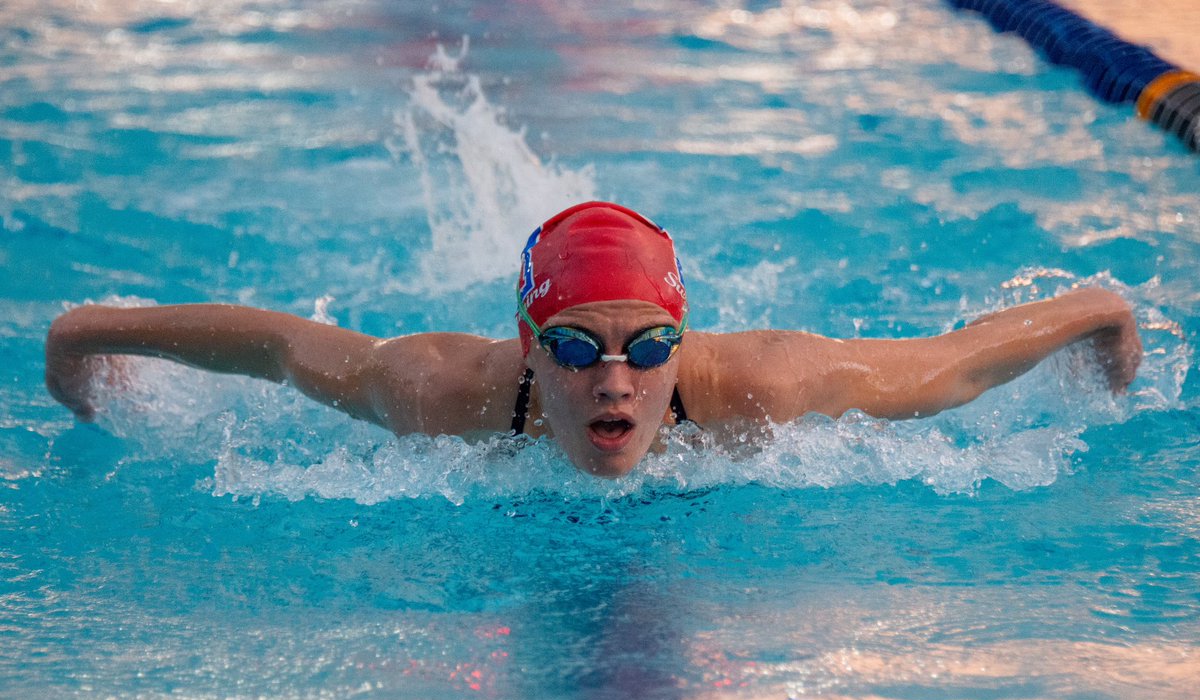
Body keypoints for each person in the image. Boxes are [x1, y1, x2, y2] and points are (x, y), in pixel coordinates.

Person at [45, 201, 1143, 478]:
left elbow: (949, 361)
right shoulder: (435, 389)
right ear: (526, 345)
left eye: (647, 345)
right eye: (576, 348)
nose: (615, 378)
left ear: (685, 336)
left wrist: (1099, 310)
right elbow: (281, 345)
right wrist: (88, 331)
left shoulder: (764, 384)